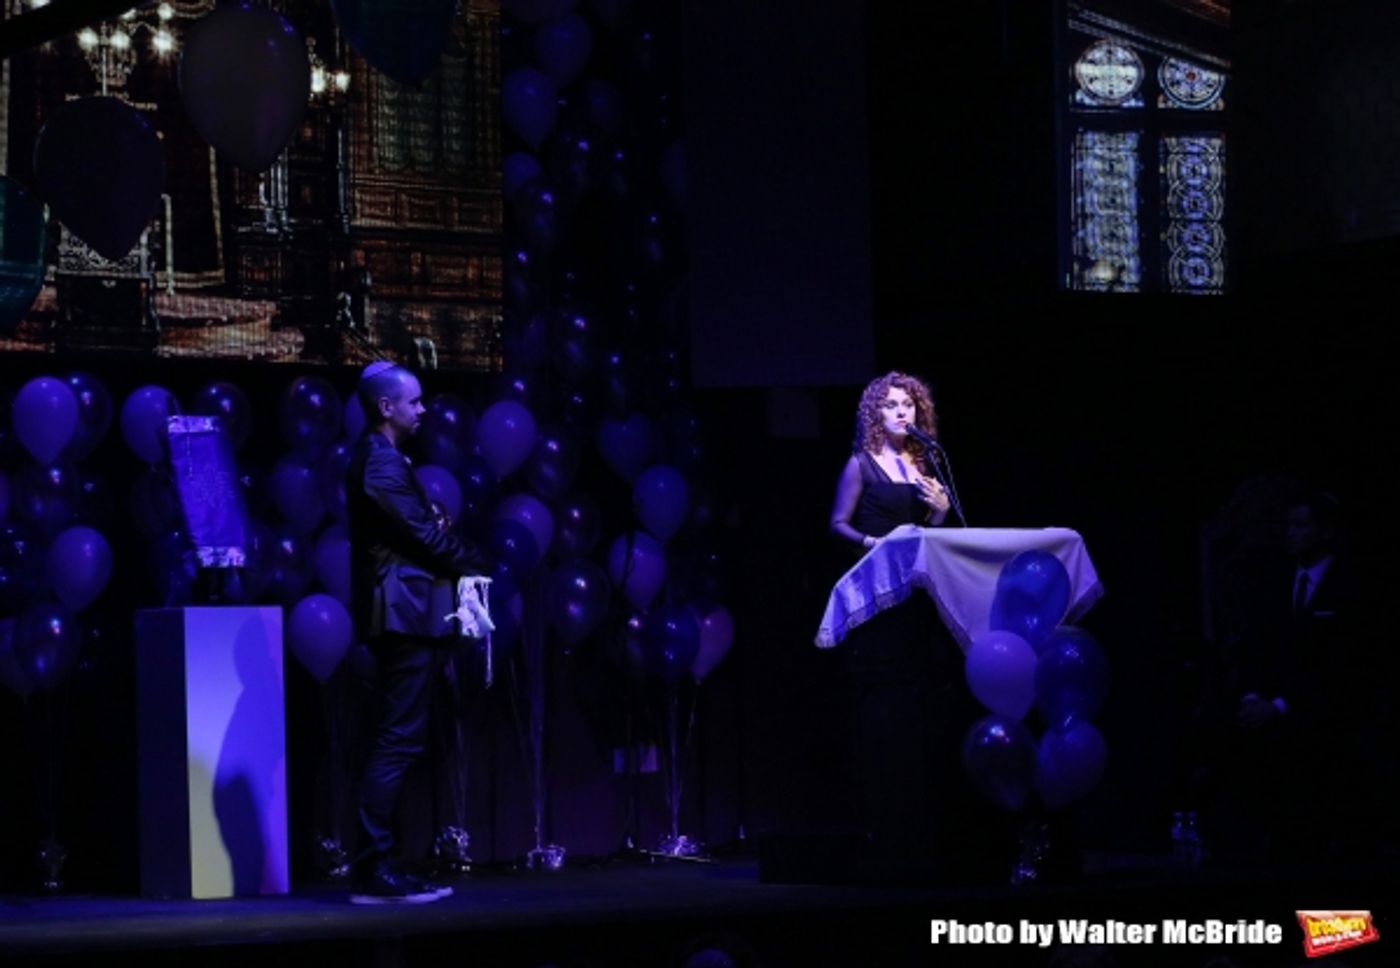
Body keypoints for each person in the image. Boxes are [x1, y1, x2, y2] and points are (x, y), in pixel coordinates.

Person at [826, 372, 997, 883]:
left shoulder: (924, 463)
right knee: (889, 710)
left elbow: (933, 537)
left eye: (910, 406)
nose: (903, 413)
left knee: (929, 708)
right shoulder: (860, 465)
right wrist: (868, 545)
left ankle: (931, 834)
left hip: (922, 598)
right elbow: (837, 522)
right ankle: (887, 835)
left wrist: (940, 511)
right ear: (874, 414)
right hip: (883, 599)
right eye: (892, 406)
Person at [347, 361, 489, 904]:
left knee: (401, 738)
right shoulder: (379, 464)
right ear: (387, 407)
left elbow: (420, 529)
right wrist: (477, 562)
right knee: (398, 738)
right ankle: (373, 870)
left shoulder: (386, 460)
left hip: (407, 611)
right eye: (414, 401)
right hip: (400, 614)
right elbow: (424, 536)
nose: (423, 410)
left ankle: (384, 865)